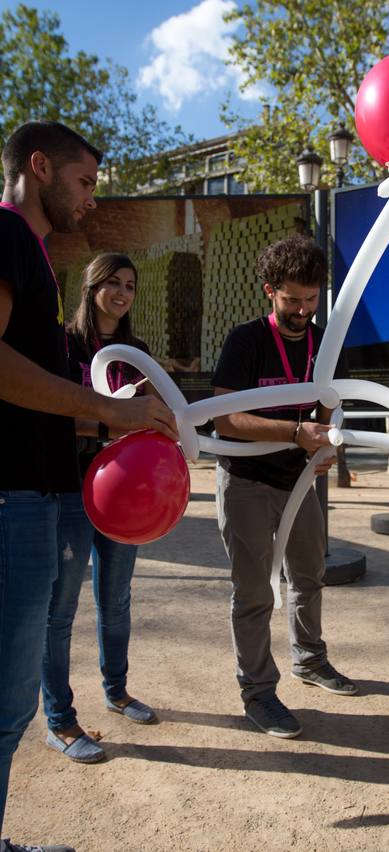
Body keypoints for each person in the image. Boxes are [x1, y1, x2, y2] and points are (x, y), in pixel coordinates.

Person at [0, 121, 177, 852]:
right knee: (8, 704)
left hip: (32, 496)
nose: (92, 200)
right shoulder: (6, 235)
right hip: (15, 499)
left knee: (7, 706)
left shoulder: (31, 253)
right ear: (37, 166)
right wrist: (110, 410)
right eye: (84, 182)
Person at [212, 234, 357, 739]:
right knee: (254, 591)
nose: (303, 310)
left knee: (309, 575)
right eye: (292, 299)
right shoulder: (245, 341)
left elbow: (329, 406)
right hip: (247, 481)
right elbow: (225, 420)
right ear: (269, 291)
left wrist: (323, 445)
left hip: (299, 481)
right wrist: (294, 434)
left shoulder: (325, 343)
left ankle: (310, 661)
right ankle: (258, 692)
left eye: (312, 299)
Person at [42, 253, 159, 765]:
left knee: (117, 599)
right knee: (60, 609)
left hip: (126, 495)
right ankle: (60, 721)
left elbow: (158, 415)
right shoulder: (62, 345)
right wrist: (112, 424)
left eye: (130, 285)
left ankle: (117, 691)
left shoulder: (136, 352)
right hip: (71, 489)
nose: (121, 293)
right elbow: (55, 417)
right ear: (90, 287)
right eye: (112, 283)